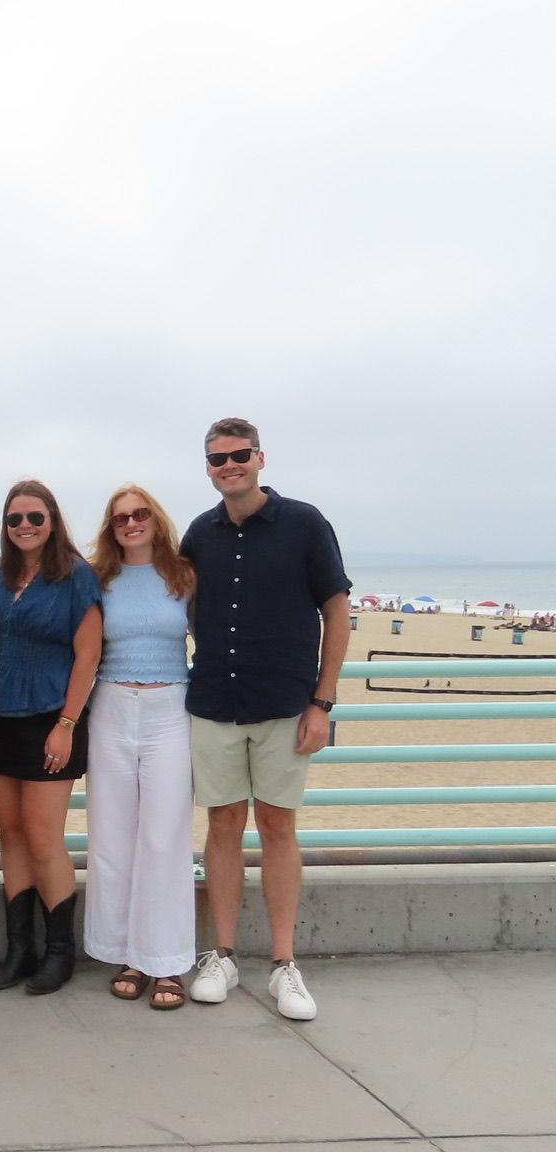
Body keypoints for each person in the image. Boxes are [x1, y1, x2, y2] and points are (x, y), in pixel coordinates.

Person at [182, 418, 350, 1021]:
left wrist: (322, 703)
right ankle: (221, 954)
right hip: (214, 703)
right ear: (207, 467)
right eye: (217, 458)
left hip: (286, 705)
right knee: (222, 826)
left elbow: (338, 612)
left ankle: (284, 965)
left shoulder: (305, 523)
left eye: (239, 454)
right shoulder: (198, 533)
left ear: (260, 457)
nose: (229, 465)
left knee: (279, 827)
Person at [0, 480, 102, 995]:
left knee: (43, 834)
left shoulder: (76, 576)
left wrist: (66, 726)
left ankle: (59, 952)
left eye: (35, 517)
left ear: (52, 520)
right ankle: (20, 950)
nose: (25, 526)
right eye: (15, 519)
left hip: (53, 719)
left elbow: (88, 657)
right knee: (10, 832)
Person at [84, 486, 196, 1010]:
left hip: (169, 710)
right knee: (112, 838)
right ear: (111, 527)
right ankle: (129, 954)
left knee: (164, 838)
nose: (130, 523)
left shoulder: (183, 575)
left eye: (139, 513)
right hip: (110, 706)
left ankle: (168, 962)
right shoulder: (97, 579)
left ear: (156, 518)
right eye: (120, 517)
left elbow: (216, 639)